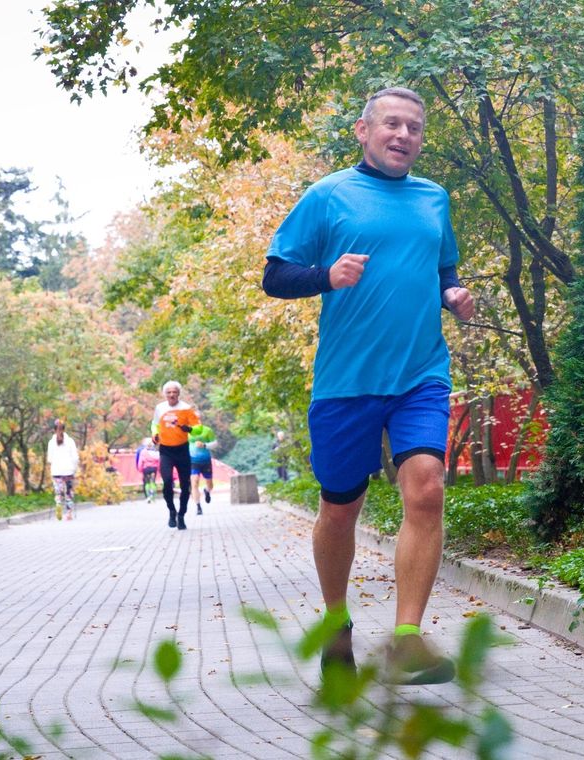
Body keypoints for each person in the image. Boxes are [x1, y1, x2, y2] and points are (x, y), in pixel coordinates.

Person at [262, 86, 475, 685]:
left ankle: (407, 640)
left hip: (419, 375)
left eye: (414, 128)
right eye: (391, 125)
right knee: (340, 509)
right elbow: (275, 276)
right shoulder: (329, 195)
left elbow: (441, 271)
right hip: (346, 383)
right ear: (363, 130)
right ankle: (337, 625)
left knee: (427, 489)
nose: (403, 136)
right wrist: (325, 276)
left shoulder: (435, 199)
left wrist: (453, 296)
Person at [151, 380, 200, 530]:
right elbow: (154, 424)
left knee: (185, 486)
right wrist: (155, 434)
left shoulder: (186, 408)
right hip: (166, 450)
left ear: (179, 393)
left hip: (182, 450)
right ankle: (172, 511)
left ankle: (181, 515)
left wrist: (190, 430)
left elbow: (198, 428)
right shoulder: (160, 408)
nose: (171, 395)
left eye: (174, 392)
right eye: (168, 392)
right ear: (165, 394)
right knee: (167, 482)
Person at [46, 419, 79, 521]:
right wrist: (74, 468)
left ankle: (58, 504)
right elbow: (75, 457)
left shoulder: (51, 442)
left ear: (54, 429)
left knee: (58, 492)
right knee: (68, 493)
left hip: (56, 471)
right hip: (68, 471)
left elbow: (49, 459)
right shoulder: (70, 441)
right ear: (64, 428)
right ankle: (68, 514)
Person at [188, 424, 216, 515]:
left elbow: (215, 444)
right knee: (194, 482)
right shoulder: (186, 431)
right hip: (192, 461)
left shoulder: (207, 430)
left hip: (205, 460)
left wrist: (204, 445)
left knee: (210, 484)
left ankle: (207, 491)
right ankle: (198, 506)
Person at [135, 437, 160, 502]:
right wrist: (159, 469)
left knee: (147, 482)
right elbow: (158, 461)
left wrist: (140, 469)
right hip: (153, 468)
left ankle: (148, 496)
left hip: (146, 469)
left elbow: (140, 461)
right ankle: (153, 497)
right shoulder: (155, 451)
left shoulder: (143, 452)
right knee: (153, 482)